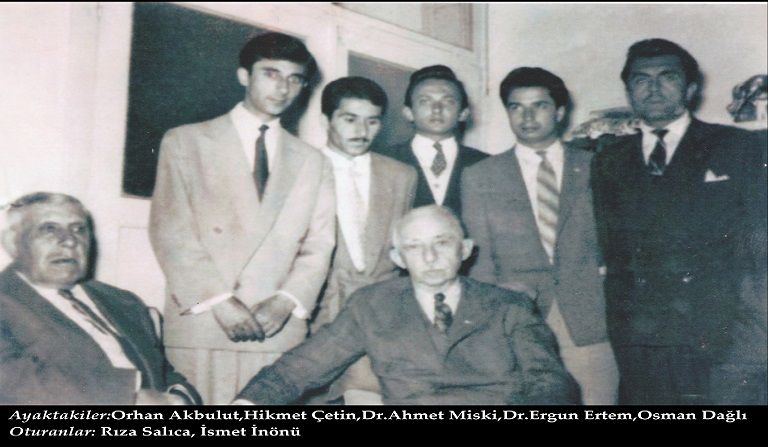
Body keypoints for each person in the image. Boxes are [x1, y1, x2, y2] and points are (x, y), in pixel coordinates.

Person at [149, 32, 336, 404]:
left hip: (276, 329)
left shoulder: (313, 161)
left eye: (295, 79)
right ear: (243, 75)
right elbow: (171, 231)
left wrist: (286, 301)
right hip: (204, 324)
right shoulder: (186, 142)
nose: (282, 88)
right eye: (271, 73)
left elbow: (320, 244)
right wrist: (219, 301)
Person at [235, 206, 576, 405]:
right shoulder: (372, 305)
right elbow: (302, 367)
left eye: (442, 243)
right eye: (414, 247)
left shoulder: (508, 305)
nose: (430, 257)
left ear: (465, 249)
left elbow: (549, 381)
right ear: (398, 258)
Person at [591, 38, 767, 404]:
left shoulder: (738, 146)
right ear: (629, 91)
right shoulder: (609, 159)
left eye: (667, 77)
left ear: (690, 88)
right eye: (641, 79)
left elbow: (757, 243)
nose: (653, 88)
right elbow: (612, 250)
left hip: (717, 331)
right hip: (639, 334)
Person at [462, 67, 619, 405]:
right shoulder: (480, 176)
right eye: (516, 107)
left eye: (539, 105)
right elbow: (480, 261)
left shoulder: (597, 166)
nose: (527, 116)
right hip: (518, 319)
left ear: (560, 111)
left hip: (590, 316)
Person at [0, 192, 200, 405]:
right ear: (12, 242)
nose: (70, 241)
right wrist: (132, 400)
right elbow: (12, 382)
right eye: (49, 229)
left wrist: (181, 399)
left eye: (79, 229)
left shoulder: (124, 301)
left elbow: (165, 375)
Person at [312, 77, 417, 404]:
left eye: (372, 121)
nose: (362, 130)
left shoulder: (402, 175)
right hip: (316, 314)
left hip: (381, 316)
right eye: (350, 119)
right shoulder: (300, 167)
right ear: (326, 120)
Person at [382, 65, 487, 217]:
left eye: (448, 101)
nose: (437, 109)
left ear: (463, 113)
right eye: (424, 101)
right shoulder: (384, 160)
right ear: (408, 112)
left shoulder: (486, 164)